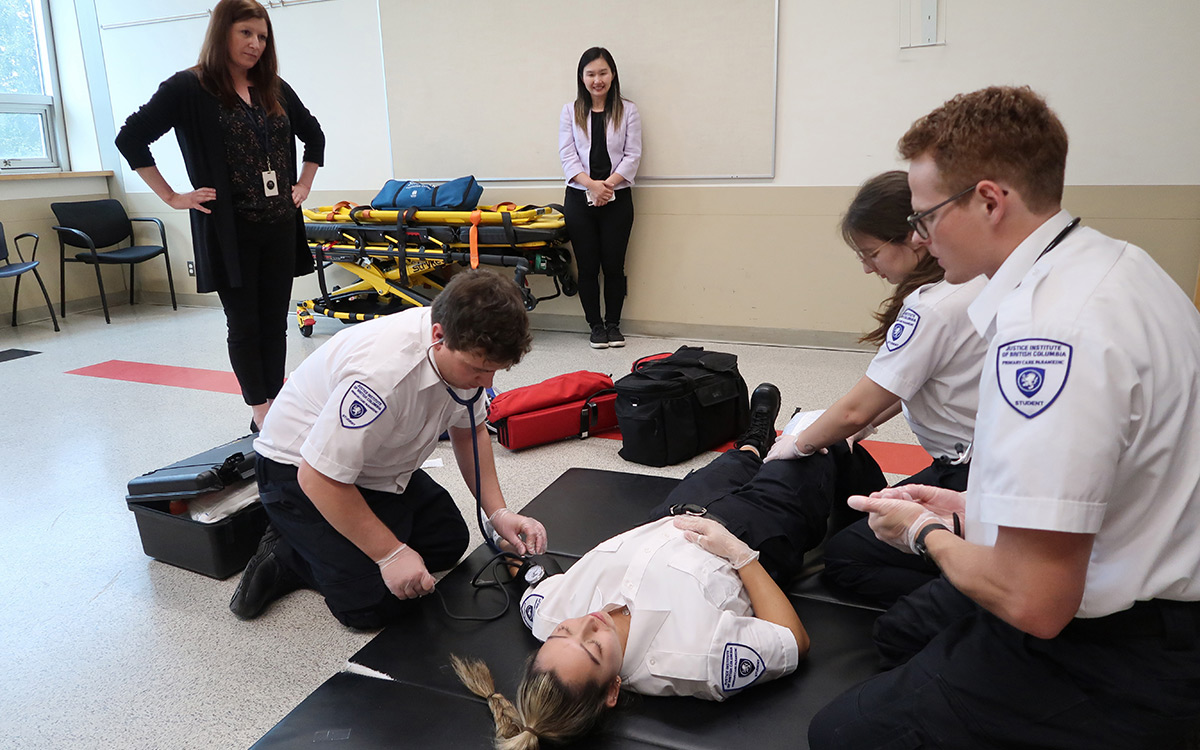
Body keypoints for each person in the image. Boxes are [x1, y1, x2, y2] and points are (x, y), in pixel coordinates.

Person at [809, 86, 1200, 749]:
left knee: (842, 733)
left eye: (926, 216)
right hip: (1141, 577)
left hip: (1127, 649)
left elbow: (1034, 602)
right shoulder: (1118, 264)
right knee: (909, 636)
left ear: (990, 201)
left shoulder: (1049, 336)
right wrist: (972, 503)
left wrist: (926, 531)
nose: (922, 236)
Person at [453, 383, 861, 747]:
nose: (588, 622)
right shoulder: (696, 664)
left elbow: (530, 575)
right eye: (593, 645)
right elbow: (793, 640)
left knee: (738, 460)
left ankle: (755, 439)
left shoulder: (545, 617)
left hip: (677, 512)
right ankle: (810, 440)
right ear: (612, 691)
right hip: (755, 533)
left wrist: (511, 541)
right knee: (810, 447)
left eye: (566, 632)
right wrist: (741, 555)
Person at [228, 270, 548, 629]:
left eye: (495, 371)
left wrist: (498, 513)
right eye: (478, 369)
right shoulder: (382, 375)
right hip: (297, 473)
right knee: (372, 604)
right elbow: (316, 477)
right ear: (438, 337)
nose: (487, 383)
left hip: (371, 465)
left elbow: (469, 431)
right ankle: (287, 552)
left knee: (449, 540)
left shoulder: (460, 346)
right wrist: (389, 553)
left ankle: (329, 546)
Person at [765, 170, 988, 607]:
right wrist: (852, 429)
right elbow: (900, 385)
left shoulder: (933, 306)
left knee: (845, 559)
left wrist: (799, 443)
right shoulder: (975, 281)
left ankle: (979, 599)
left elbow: (856, 407)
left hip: (969, 471)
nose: (868, 267)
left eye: (872, 253)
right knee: (871, 502)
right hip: (985, 461)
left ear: (915, 236)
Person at [115, 0, 324, 432]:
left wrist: (303, 185)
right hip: (231, 230)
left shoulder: (274, 88)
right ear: (222, 32)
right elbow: (131, 138)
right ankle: (261, 411)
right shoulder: (189, 88)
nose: (255, 44)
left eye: (263, 37)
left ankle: (276, 397)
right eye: (246, 33)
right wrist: (173, 197)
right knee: (245, 323)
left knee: (274, 320)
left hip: (279, 225)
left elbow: (314, 135)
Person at [558, 47, 641, 350]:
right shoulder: (570, 111)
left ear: (613, 74)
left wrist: (607, 186)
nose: (597, 79)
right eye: (591, 73)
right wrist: (592, 186)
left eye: (603, 72)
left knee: (614, 266)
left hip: (618, 199)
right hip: (579, 200)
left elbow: (633, 156)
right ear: (582, 78)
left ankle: (614, 325)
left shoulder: (627, 110)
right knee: (588, 267)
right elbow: (567, 156)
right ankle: (595, 326)